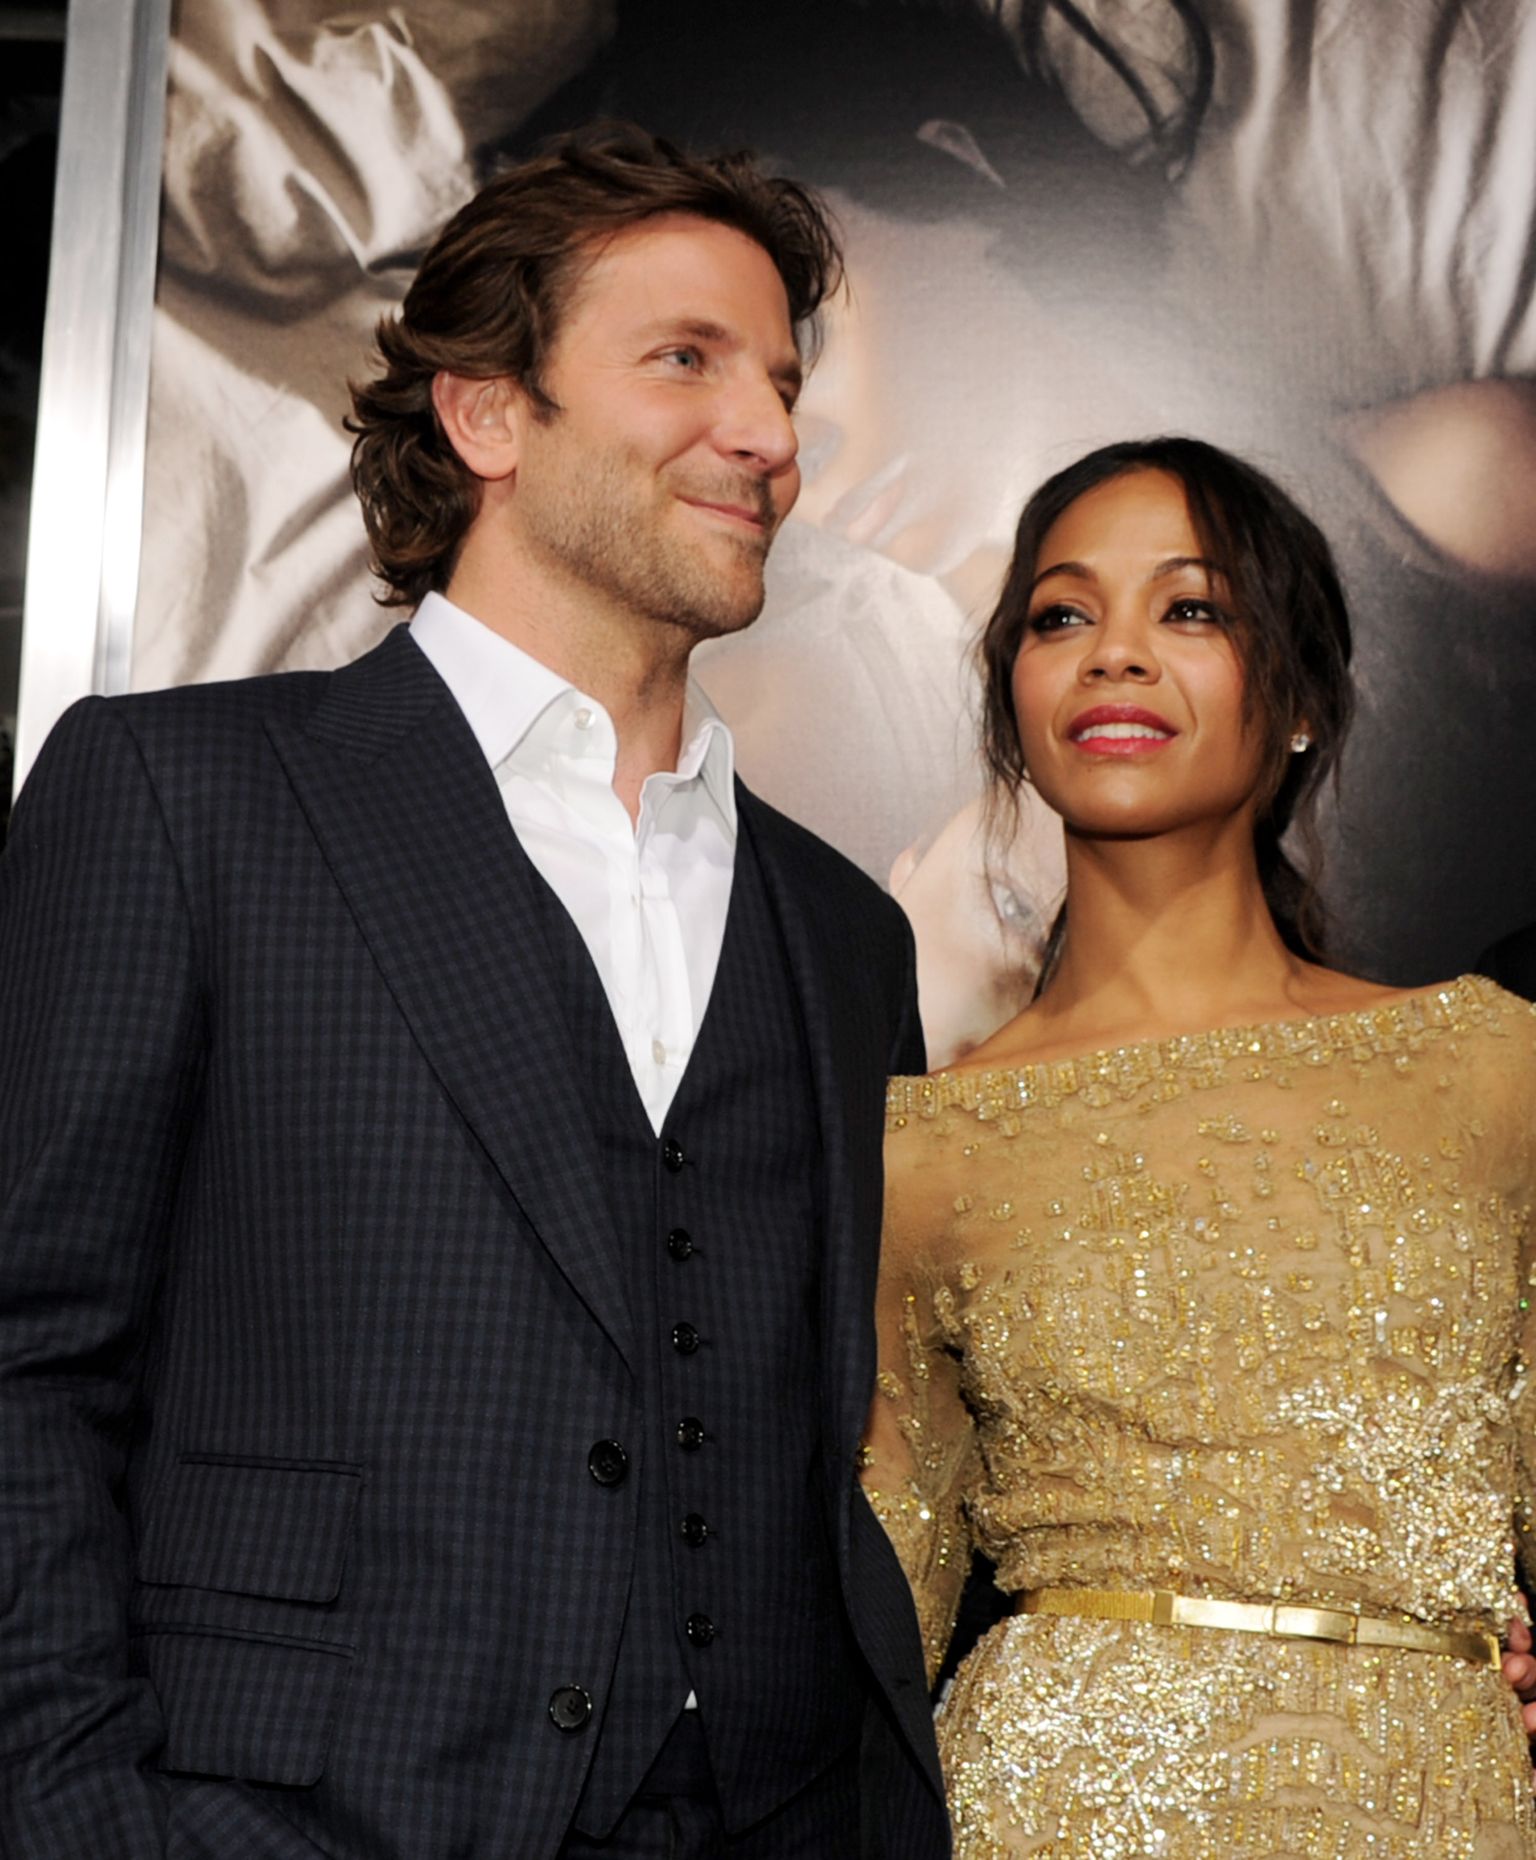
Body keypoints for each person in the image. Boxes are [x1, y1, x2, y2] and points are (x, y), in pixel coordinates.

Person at [0, 128, 950, 1859]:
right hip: (291, 1817)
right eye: (688, 361)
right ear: (489, 413)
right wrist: (80, 1812)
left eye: (782, 384)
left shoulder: (842, 933)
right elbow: (27, 1360)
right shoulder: (182, 796)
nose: (768, 435)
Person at [862, 436, 1536, 1854]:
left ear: (1299, 698)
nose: (1115, 653)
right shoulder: (928, 1144)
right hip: (1046, 1811)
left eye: (1189, 608)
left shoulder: (1491, 1066)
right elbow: (873, 1614)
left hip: (1434, 1805)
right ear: (1013, 702)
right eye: (1062, 615)